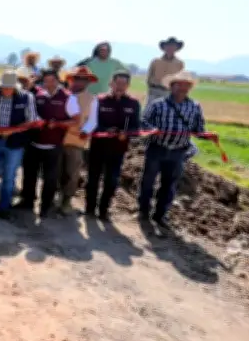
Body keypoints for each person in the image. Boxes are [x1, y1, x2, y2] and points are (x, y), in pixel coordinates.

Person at [139, 70, 205, 230]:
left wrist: (208, 136)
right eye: (178, 84)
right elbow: (143, 121)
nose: (182, 88)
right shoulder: (158, 104)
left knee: (169, 185)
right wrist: (152, 129)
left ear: (189, 88)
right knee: (148, 182)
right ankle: (143, 212)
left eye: (186, 85)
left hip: (178, 152)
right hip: (156, 149)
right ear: (171, 86)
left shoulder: (195, 107)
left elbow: (198, 129)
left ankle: (160, 215)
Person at [18, 69, 80, 218]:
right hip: (34, 143)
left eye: (52, 80)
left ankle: (45, 206)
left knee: (50, 178)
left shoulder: (68, 98)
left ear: (58, 81)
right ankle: (27, 201)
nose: (49, 84)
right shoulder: (37, 95)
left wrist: (58, 124)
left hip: (53, 145)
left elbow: (76, 120)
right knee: (29, 174)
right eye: (46, 81)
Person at [0, 69, 39, 219]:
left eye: (9, 87)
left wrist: (12, 131)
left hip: (15, 143)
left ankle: (4, 207)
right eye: (4, 87)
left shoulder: (26, 97)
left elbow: (31, 121)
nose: (6, 90)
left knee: (9, 176)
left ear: (15, 86)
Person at [86, 71, 140, 221]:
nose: (120, 87)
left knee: (111, 181)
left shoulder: (133, 103)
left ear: (128, 86)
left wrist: (126, 133)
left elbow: (136, 128)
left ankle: (103, 210)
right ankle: (89, 209)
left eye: (124, 84)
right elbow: (91, 124)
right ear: (111, 83)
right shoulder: (99, 100)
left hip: (118, 150)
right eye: (117, 83)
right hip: (97, 147)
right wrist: (105, 130)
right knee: (93, 179)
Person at [58, 66, 99, 215]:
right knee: (56, 170)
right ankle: (54, 195)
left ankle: (66, 200)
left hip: (76, 140)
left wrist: (86, 131)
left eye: (83, 79)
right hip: (57, 138)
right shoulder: (62, 95)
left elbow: (93, 120)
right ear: (71, 80)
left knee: (72, 171)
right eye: (77, 79)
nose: (79, 82)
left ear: (88, 82)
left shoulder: (92, 99)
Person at [146, 37, 185, 105]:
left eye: (173, 46)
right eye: (168, 46)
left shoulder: (179, 63)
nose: (170, 48)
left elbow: (180, 80)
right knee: (150, 110)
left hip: (169, 93)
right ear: (164, 47)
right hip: (154, 91)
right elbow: (149, 77)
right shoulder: (155, 61)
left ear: (176, 48)